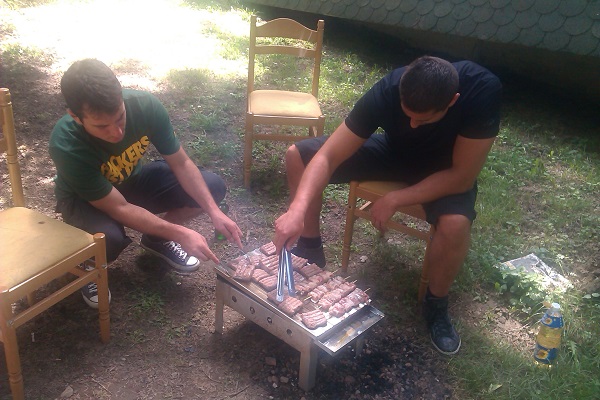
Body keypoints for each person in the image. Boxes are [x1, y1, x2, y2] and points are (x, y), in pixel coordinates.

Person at [273, 56, 502, 355]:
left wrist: (395, 198)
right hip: (394, 153)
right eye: (407, 115)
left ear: (452, 101)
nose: (412, 125)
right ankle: (311, 246)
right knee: (298, 156)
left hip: (445, 170)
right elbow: (328, 156)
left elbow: (462, 176)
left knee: (456, 224)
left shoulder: (482, 90)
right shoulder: (391, 87)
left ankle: (436, 304)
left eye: (423, 120)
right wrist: (296, 210)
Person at [49, 59, 243, 308]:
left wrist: (214, 212)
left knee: (212, 187)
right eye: (102, 126)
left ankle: (156, 239)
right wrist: (181, 233)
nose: (116, 132)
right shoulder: (66, 144)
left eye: (120, 118)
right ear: (75, 116)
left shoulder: (144, 106)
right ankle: (88, 264)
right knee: (109, 238)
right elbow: (118, 208)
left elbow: (181, 163)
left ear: (121, 97)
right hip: (85, 200)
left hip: (131, 180)